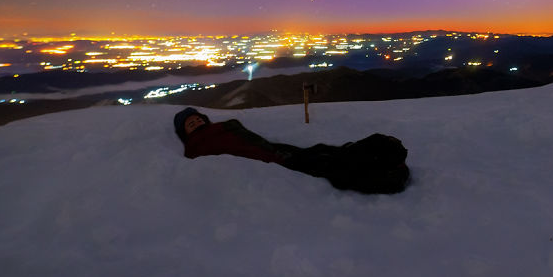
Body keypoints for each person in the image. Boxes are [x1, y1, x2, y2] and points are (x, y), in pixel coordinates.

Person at [173, 107, 410, 194]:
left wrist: (274, 151)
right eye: (189, 124)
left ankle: (381, 149)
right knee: (327, 165)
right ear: (185, 133)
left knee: (323, 152)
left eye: (196, 119)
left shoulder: (223, 127)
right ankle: (388, 174)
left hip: (273, 151)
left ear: (204, 119)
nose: (195, 123)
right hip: (270, 159)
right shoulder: (195, 147)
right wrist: (273, 156)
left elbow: (249, 141)